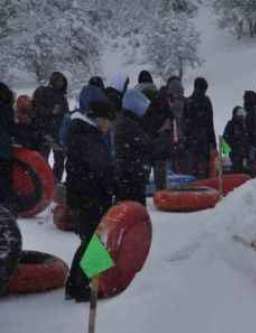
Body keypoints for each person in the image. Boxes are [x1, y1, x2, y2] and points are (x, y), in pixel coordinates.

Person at [64, 87, 116, 302]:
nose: (109, 126)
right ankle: (82, 285)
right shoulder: (88, 137)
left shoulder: (85, 133)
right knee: (93, 241)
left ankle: (81, 283)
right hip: (88, 197)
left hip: (86, 195)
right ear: (98, 119)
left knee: (91, 240)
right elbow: (100, 168)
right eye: (108, 121)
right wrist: (112, 183)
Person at [114, 89, 171, 205]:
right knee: (134, 213)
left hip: (130, 176)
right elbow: (148, 146)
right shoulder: (129, 124)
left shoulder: (127, 122)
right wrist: (162, 134)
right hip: (131, 177)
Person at [31, 71, 69, 181]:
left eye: (62, 81)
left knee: (59, 159)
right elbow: (36, 109)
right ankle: (43, 182)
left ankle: (54, 182)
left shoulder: (62, 96)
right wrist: (51, 111)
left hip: (58, 133)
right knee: (43, 159)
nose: (60, 83)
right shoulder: (42, 91)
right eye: (58, 80)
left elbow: (65, 113)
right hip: (45, 132)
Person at [142, 86, 176, 190]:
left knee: (146, 169)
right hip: (160, 145)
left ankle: (144, 187)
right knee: (160, 171)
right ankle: (161, 192)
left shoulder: (150, 106)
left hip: (149, 142)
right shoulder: (165, 109)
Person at [182, 77, 217, 179]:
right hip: (202, 140)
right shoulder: (205, 102)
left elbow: (185, 124)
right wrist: (213, 143)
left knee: (194, 169)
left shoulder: (188, 102)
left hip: (193, 141)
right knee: (203, 169)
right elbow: (210, 124)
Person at [0, 82, 16, 211]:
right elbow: (11, 127)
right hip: (4, 149)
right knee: (5, 177)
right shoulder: (6, 109)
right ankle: (7, 205)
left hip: (3, 147)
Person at [222, 106, 251, 174]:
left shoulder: (244, 126)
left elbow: (246, 140)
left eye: (243, 113)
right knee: (236, 168)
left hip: (243, 154)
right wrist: (226, 155)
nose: (241, 116)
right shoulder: (231, 124)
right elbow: (225, 139)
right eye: (239, 113)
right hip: (234, 154)